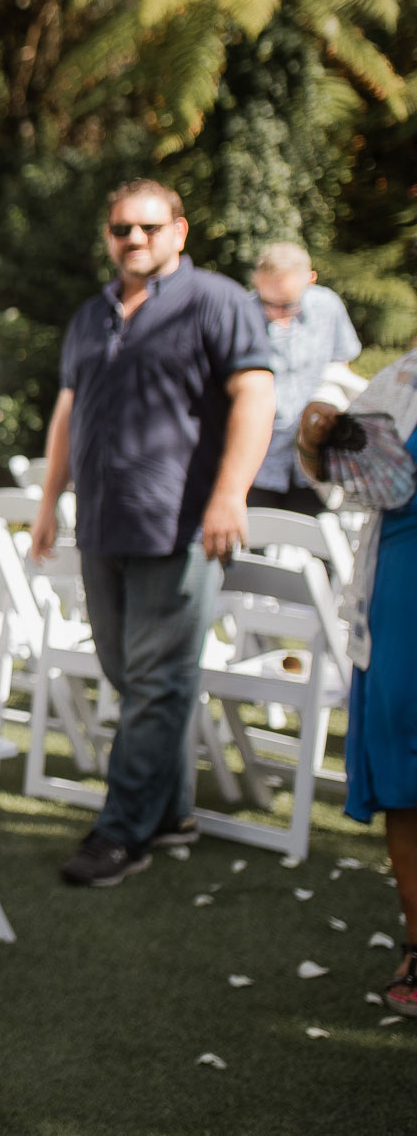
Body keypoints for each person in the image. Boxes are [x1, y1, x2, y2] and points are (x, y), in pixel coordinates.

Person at [29, 179, 274, 887]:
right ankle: (171, 812)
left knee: (157, 682)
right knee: (128, 674)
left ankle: (122, 832)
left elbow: (255, 395)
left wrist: (230, 493)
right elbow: (68, 410)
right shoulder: (91, 315)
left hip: (182, 524)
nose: (132, 239)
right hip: (102, 521)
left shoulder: (218, 301)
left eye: (146, 227)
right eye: (119, 228)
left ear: (178, 231)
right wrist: (50, 498)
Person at [298, 344, 417, 1017]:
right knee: (408, 764)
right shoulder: (403, 378)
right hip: (406, 580)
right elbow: (335, 473)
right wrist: (315, 435)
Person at [246, 241, 362, 516]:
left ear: (310, 280)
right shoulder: (241, 312)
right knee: (259, 549)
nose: (276, 315)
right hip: (259, 460)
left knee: (315, 547)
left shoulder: (328, 306)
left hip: (315, 460)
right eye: (267, 303)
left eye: (287, 305)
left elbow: (340, 366)